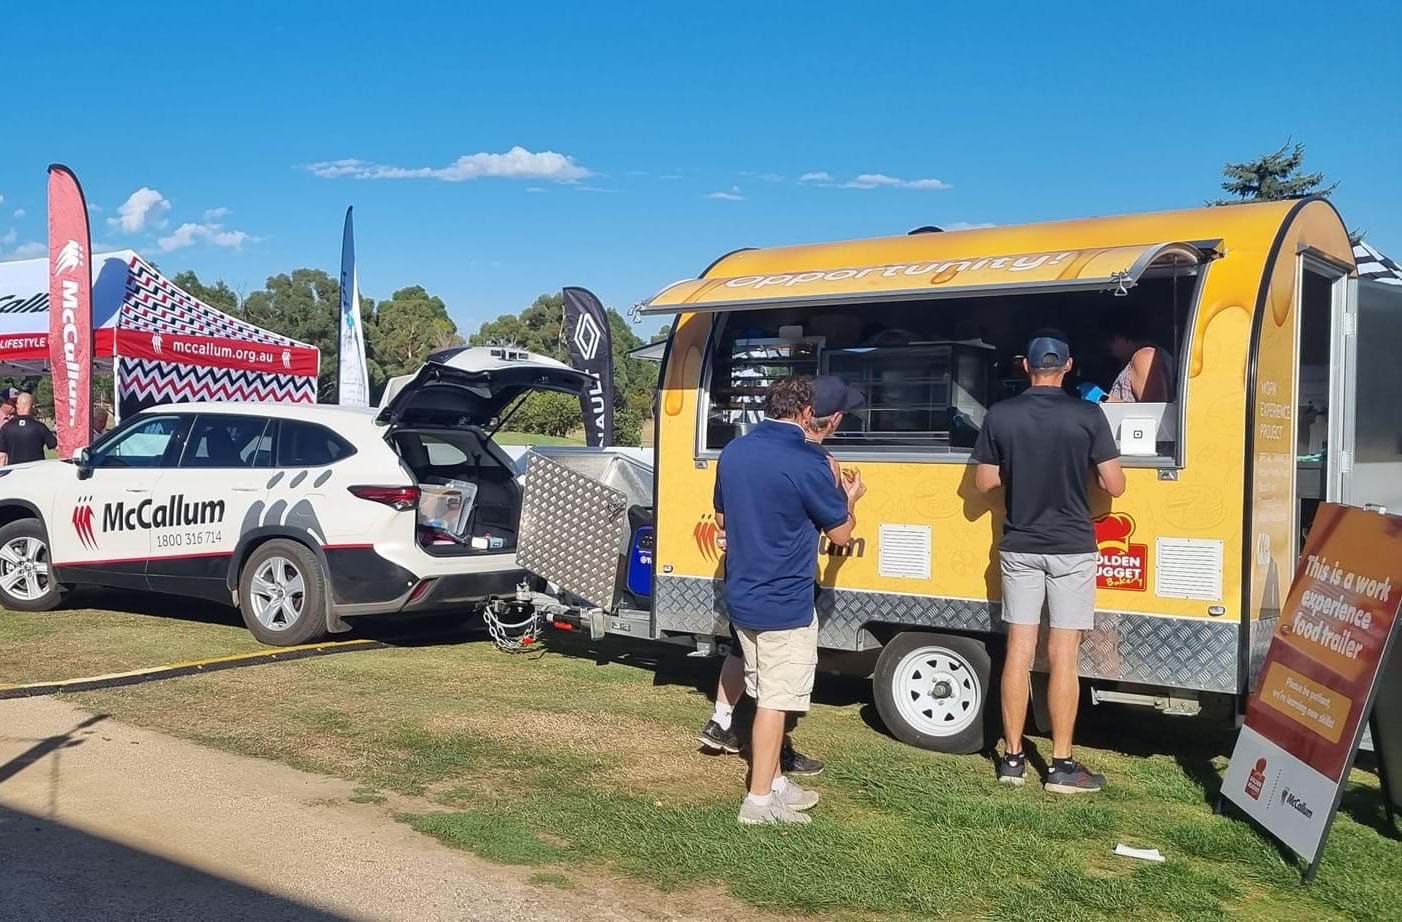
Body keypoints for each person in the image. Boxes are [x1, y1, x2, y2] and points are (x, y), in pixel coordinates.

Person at [973, 331, 1125, 793]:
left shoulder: (1000, 415)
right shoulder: (1088, 415)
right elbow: (1116, 485)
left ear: (1026, 366)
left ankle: (1012, 759)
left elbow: (984, 483)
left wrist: (1018, 468)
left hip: (1020, 545)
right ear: (1069, 366)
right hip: (1072, 548)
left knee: (1019, 651)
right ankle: (1060, 765)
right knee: (1063, 655)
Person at [714, 375, 866, 825]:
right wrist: (849, 498)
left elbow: (722, 516)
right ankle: (759, 802)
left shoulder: (735, 451)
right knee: (776, 701)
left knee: (764, 691)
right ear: (809, 414)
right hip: (786, 600)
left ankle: (777, 781)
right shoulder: (810, 461)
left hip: (742, 594)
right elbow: (841, 533)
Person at [1104, 316, 1175, 403]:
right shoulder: (1152, 356)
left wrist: (1105, 399)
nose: (1108, 346)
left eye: (1110, 340)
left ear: (1122, 337)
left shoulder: (1145, 357)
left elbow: (1154, 407)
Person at [0, 393, 58, 466]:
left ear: (17, 406)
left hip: (15, 471)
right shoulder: (40, 427)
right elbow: (57, 447)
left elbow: (2, 456)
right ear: (32, 407)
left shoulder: (5, 428)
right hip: (36, 470)